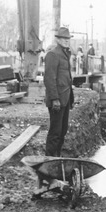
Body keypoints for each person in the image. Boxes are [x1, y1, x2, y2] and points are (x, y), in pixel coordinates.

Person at [43, 26, 75, 157]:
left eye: (68, 39)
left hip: (65, 99)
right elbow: (49, 79)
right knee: (55, 132)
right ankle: (50, 159)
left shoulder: (65, 55)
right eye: (63, 39)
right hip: (57, 100)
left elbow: (67, 79)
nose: (66, 41)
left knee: (62, 131)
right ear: (58, 40)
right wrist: (54, 99)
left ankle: (57, 157)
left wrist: (70, 99)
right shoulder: (53, 54)